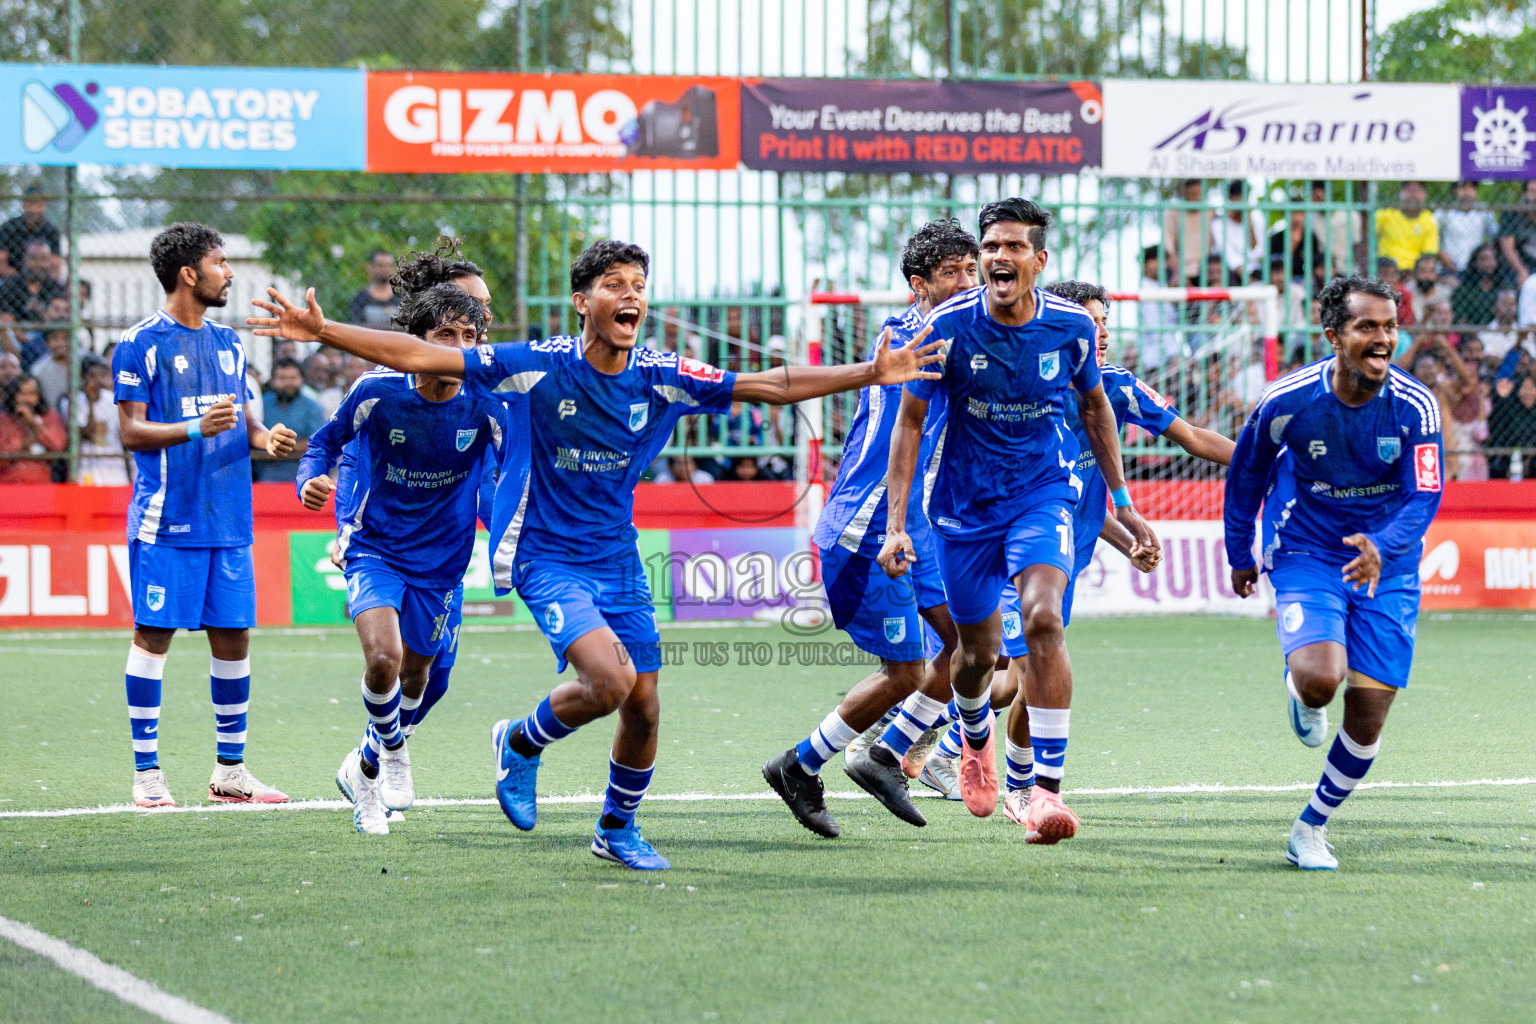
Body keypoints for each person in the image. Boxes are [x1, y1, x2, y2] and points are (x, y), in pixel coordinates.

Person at [249, 239, 941, 871]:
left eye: (639, 283)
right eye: (614, 283)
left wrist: (870, 372)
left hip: (617, 558)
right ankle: (519, 742)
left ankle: (614, 826)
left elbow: (767, 384)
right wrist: (323, 331)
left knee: (643, 703)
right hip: (546, 557)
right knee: (608, 682)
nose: (631, 295)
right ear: (584, 301)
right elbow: (424, 357)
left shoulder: (662, 374)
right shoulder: (537, 367)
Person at [875, 198, 1159, 843]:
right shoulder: (946, 325)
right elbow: (910, 422)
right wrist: (897, 524)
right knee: (975, 656)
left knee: (1043, 620)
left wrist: (1122, 501)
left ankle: (1043, 795)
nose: (999, 257)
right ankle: (972, 746)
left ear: (1039, 259)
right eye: (990, 247)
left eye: (1012, 246)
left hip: (1043, 493)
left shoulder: (1071, 327)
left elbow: (1096, 410)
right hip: (963, 509)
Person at [917, 281, 1234, 823]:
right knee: (1009, 673)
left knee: (1024, 679)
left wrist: (1268, 470)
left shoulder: (1113, 390)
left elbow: (1195, 439)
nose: (1101, 331)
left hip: (1058, 556)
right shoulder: (1024, 391)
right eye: (1091, 320)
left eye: (1104, 321)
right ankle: (944, 746)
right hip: (997, 542)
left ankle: (996, 771)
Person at [764, 219, 977, 837]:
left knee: (973, 650)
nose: (968, 282)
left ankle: (885, 756)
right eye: (951, 273)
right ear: (919, 285)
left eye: (972, 269)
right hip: (870, 530)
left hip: (921, 527)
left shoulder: (942, 332)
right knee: (907, 672)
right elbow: (904, 434)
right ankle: (799, 766)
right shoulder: (918, 340)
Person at [1225, 275, 1443, 871]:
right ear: (1334, 336)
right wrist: (1239, 552)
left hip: (1387, 563)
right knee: (1323, 678)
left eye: (1390, 328)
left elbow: (1425, 494)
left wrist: (1385, 543)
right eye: (1366, 327)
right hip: (1307, 551)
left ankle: (1311, 826)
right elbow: (1245, 475)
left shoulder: (1416, 405)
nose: (1382, 339)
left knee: (1368, 720)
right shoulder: (1287, 400)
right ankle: (1302, 687)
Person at [296, 285, 511, 835]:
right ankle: (391, 753)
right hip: (376, 545)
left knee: (420, 676)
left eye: (470, 337)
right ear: (418, 341)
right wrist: (309, 481)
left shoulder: (488, 402)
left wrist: (515, 535)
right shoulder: (378, 391)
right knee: (384, 658)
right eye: (445, 336)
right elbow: (324, 442)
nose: (458, 349)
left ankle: (362, 770)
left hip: (442, 560)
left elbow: (505, 479)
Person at [112, 222, 297, 807]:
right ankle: (147, 775)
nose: (230, 273)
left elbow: (246, 424)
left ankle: (231, 773)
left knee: (234, 637)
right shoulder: (139, 344)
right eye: (220, 262)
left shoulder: (230, 344)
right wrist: (194, 427)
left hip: (229, 522)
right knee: (154, 635)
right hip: (167, 522)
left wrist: (270, 441)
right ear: (189, 273)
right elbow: (131, 431)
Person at [253, 358, 325, 483]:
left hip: (301, 476)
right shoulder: (263, 403)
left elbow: (316, 441)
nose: (288, 383)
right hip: (264, 476)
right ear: (273, 381)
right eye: (282, 378)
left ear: (302, 379)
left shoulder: (312, 406)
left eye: (293, 378)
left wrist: (282, 447)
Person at [69, 355, 131, 486]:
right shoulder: (73, 402)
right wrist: (91, 402)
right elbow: (89, 434)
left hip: (114, 471)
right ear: (83, 378)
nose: (97, 380)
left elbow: (125, 437)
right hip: (87, 471)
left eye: (101, 375)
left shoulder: (113, 401)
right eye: (92, 376)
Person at [0, 374, 67, 483]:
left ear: (39, 396)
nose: (27, 399)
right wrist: (26, 444)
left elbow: (58, 444)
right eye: (22, 394)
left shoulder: (49, 415)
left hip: (41, 481)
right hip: (9, 482)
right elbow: (4, 455)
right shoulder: (5, 419)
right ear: (14, 395)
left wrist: (34, 423)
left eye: (32, 394)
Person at [1437, 181, 1499, 276]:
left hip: (1477, 269)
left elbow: (1495, 236)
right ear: (1454, 191)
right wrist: (1440, 254)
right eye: (1463, 188)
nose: (1467, 192)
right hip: (1449, 269)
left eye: (1471, 188)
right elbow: (1429, 234)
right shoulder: (1444, 211)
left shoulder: (1483, 211)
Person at [1376, 182, 1438, 273]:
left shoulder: (1429, 220)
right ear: (1401, 193)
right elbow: (1367, 237)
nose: (1414, 195)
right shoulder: (1386, 214)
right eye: (1409, 190)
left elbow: (1429, 254)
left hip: (1413, 272)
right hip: (1386, 270)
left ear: (1425, 195)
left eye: (1418, 190)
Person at [0, 240, 65, 324]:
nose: (38, 264)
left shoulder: (56, 287)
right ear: (23, 260)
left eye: (44, 259)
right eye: (33, 258)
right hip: (16, 333)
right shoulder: (9, 286)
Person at [1163, 179, 1213, 289]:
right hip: (1182, 269)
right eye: (1192, 193)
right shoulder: (1174, 214)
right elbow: (1169, 248)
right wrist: (1178, 272)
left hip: (1207, 269)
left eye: (1199, 193)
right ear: (1184, 194)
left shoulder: (1210, 213)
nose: (1196, 197)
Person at [0, 185, 61, 273]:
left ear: (45, 204)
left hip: (42, 279)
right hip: (12, 277)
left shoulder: (51, 230)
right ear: (24, 204)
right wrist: (20, 279)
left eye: (39, 204)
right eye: (31, 203)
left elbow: (55, 264)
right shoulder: (10, 227)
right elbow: (1, 261)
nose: (35, 209)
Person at [1452, 245, 1517, 327]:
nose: (1487, 264)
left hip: (1498, 331)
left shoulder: (1503, 286)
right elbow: (1460, 318)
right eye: (1483, 259)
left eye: (1491, 259)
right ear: (1475, 263)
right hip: (1471, 333)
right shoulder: (1465, 288)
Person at [1488, 374, 1536, 479]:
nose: (1528, 393)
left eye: (1532, 387)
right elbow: (1494, 427)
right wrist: (1501, 399)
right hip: (1509, 464)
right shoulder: (1509, 409)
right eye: (1524, 388)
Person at [1496, 179, 1536, 284]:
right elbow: (1507, 246)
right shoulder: (1512, 214)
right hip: (1520, 266)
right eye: (1532, 192)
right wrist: (1521, 271)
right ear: (1524, 194)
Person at [349, 249, 402, 328]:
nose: (385, 269)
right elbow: (357, 328)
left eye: (388, 265)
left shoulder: (401, 298)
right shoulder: (360, 298)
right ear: (370, 267)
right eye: (381, 265)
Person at [1406, 254, 1451, 325]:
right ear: (1415, 273)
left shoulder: (1445, 293)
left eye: (1431, 271)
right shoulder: (1408, 291)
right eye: (1423, 271)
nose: (1427, 276)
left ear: (1436, 274)